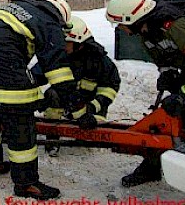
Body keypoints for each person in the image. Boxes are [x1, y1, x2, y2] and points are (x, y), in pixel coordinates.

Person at [0, 0, 83, 199]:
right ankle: (26, 184)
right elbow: (59, 71)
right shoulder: (49, 23)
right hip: (2, 59)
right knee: (21, 125)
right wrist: (78, 111)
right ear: (61, 19)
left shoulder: (19, 9)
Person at [105, 0, 185, 187]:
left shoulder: (175, 26)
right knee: (165, 123)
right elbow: (162, 55)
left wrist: (183, 97)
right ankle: (150, 168)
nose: (121, 29)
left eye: (121, 24)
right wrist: (167, 73)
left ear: (132, 18)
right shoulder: (147, 29)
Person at [35, 15, 121, 157]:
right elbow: (35, 77)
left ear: (78, 42)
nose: (60, 45)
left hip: (90, 106)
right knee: (52, 94)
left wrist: (92, 108)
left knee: (90, 135)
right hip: (66, 100)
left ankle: (86, 131)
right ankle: (52, 135)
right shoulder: (57, 57)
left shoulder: (99, 61)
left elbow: (109, 88)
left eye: (65, 42)